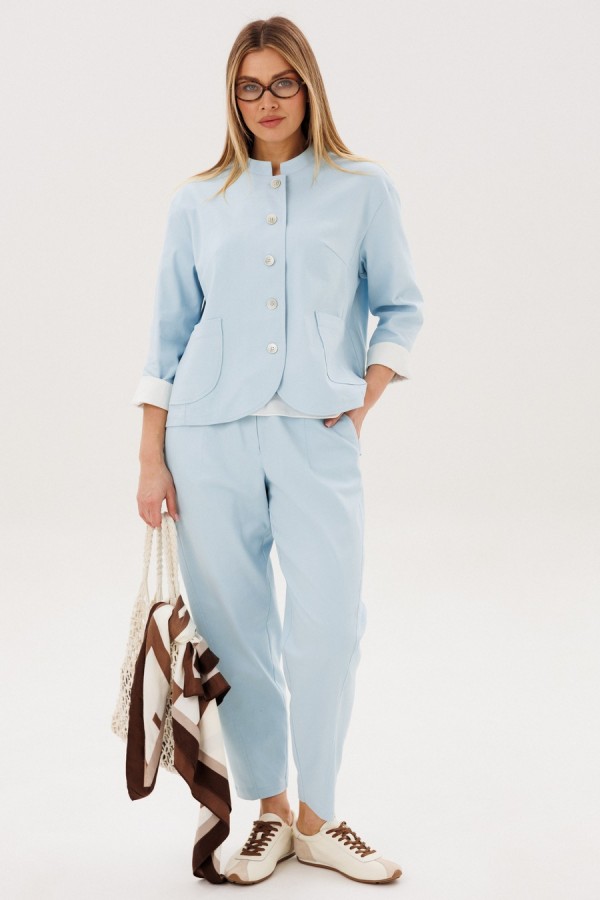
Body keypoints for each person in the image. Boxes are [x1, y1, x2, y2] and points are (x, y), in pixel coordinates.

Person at [133, 15, 424, 887]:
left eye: (283, 82)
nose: (267, 101)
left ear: (309, 86)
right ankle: (266, 810)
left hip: (317, 435)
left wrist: (362, 402)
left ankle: (319, 817)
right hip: (206, 438)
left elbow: (401, 308)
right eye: (250, 86)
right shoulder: (198, 201)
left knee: (328, 628)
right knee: (237, 634)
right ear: (233, 96)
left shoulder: (363, 188)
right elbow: (166, 335)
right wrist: (151, 458)